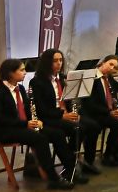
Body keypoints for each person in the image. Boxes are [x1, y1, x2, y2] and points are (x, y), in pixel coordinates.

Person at [0, 59, 75, 190]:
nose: (25, 72)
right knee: (39, 139)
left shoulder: (21, 88)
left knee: (57, 133)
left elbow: (27, 110)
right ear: (10, 73)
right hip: (5, 130)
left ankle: (70, 169)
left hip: (22, 126)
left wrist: (36, 120)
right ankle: (53, 178)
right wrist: (25, 124)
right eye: (21, 70)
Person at [29, 49, 96, 181]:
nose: (59, 63)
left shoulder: (63, 78)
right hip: (49, 118)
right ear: (47, 62)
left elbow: (68, 100)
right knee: (77, 128)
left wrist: (72, 112)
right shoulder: (37, 82)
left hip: (64, 114)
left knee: (92, 125)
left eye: (60, 60)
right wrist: (62, 115)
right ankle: (70, 165)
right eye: (55, 61)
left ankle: (81, 161)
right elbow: (42, 109)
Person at [81, 54, 118, 168]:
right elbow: (89, 103)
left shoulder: (108, 78)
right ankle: (89, 161)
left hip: (105, 113)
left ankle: (110, 154)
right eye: (110, 64)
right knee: (96, 127)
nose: (112, 68)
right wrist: (109, 112)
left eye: (114, 67)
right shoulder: (92, 77)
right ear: (102, 63)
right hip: (93, 113)